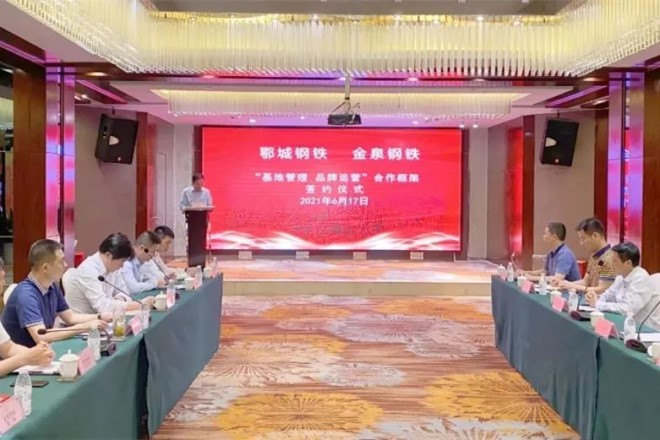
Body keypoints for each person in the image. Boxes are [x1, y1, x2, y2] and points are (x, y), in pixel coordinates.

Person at [1, 239, 109, 347]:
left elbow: (70, 317)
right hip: (21, 355)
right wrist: (85, 327)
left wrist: (100, 317)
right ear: (46, 267)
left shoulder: (52, 286)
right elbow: (41, 337)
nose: (65, 265)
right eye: (61, 261)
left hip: (40, 351)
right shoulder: (26, 295)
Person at [63, 233, 155, 315]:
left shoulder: (113, 267)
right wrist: (138, 304)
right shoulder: (88, 270)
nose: (122, 266)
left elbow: (125, 293)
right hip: (85, 324)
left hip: (104, 321)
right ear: (108, 255)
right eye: (122, 261)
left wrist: (115, 302)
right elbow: (102, 307)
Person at [589, 242, 660, 330]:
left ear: (628, 263)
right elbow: (608, 295)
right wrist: (595, 297)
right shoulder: (621, 275)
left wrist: (598, 304)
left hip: (644, 329)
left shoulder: (640, 278)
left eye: (615, 261)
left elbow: (627, 309)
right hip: (627, 324)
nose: (612, 264)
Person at [558, 217, 615, 295]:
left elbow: (602, 290)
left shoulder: (610, 258)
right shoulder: (593, 256)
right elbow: (585, 281)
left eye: (583, 239)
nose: (581, 243)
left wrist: (572, 285)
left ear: (595, 236)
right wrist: (565, 284)